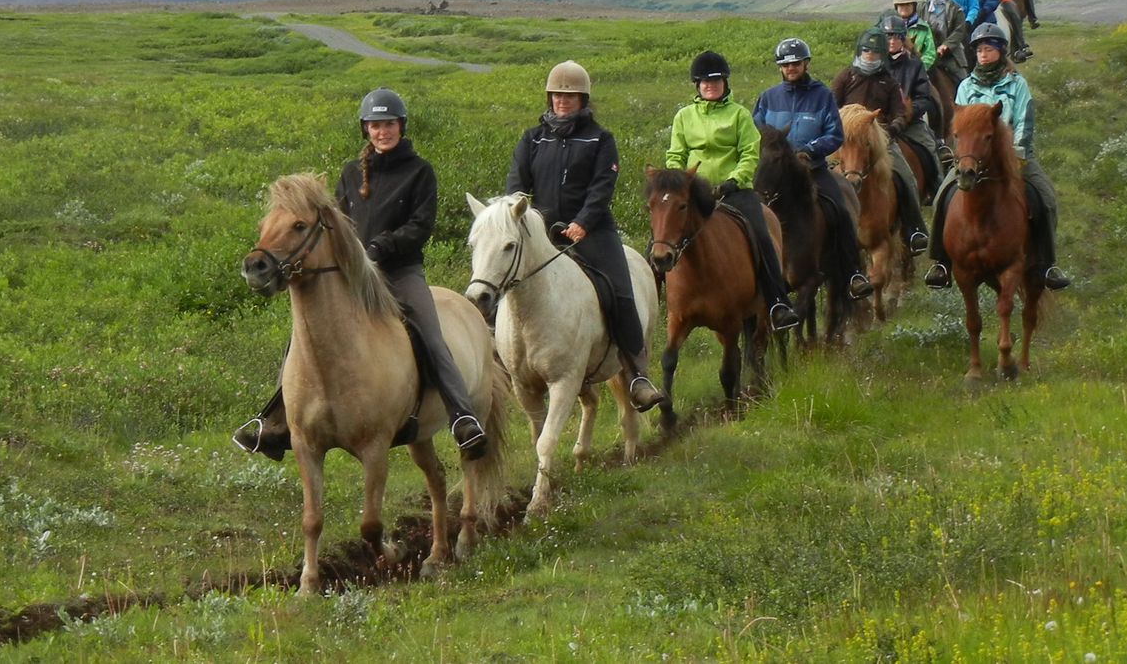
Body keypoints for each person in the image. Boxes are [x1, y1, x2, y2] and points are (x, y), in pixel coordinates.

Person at [233, 88, 489, 461]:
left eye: (388, 124)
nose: (382, 131)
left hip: (401, 272)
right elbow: (336, 224)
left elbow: (420, 226)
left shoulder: (420, 172)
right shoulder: (352, 173)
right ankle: (277, 423)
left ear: (400, 126)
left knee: (430, 335)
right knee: (300, 340)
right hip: (354, 275)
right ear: (365, 129)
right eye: (374, 125)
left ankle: (463, 416)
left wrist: (381, 247)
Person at [505, 61, 666, 412]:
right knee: (502, 274)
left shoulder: (600, 139)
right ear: (549, 97)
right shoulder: (532, 139)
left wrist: (584, 221)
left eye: (570, 95)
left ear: (583, 98)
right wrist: (519, 218)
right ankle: (499, 353)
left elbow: (602, 187)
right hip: (543, 232)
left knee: (621, 290)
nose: (563, 101)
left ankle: (637, 373)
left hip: (591, 230)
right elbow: (517, 185)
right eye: (558, 95)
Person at [923, 25, 1071, 291]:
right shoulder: (966, 86)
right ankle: (941, 263)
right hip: (973, 158)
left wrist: (1016, 153)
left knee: (1045, 199)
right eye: (979, 50)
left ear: (1000, 51)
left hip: (1011, 156)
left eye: (988, 49)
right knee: (941, 198)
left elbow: (1025, 120)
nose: (982, 55)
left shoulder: (1017, 84)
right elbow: (958, 126)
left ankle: (1048, 264)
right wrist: (962, 155)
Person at [665, 50, 800, 331]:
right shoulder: (683, 117)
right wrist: (679, 181)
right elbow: (676, 154)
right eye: (704, 81)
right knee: (661, 235)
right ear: (697, 85)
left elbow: (750, 154)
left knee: (762, 234)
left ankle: (777, 302)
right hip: (694, 193)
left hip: (734, 192)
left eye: (715, 81)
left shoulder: (739, 115)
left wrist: (735, 180)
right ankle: (655, 298)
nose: (710, 86)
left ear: (725, 83)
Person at [752, 37, 874, 301]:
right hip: (776, 176)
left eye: (796, 63)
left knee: (840, 211)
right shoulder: (768, 97)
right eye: (786, 64)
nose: (791, 68)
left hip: (814, 171)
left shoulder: (823, 96)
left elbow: (835, 134)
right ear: (779, 68)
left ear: (806, 64)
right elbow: (755, 132)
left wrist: (810, 149)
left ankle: (853, 272)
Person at [831, 29, 930, 254]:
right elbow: (831, 106)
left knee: (907, 177)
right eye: (866, 51)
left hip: (879, 140)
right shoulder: (846, 76)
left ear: (882, 55)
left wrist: (895, 126)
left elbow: (899, 112)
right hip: (846, 141)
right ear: (859, 51)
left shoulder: (889, 82)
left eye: (875, 52)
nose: (870, 56)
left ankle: (914, 228)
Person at [877, 14, 941, 202]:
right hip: (879, 123)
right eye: (888, 36)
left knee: (930, 148)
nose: (892, 41)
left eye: (896, 36)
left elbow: (924, 97)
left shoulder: (914, 65)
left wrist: (910, 111)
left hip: (909, 123)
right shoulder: (874, 64)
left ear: (903, 38)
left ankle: (937, 191)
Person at [921, 0, 970, 82]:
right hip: (926, 52)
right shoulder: (921, 7)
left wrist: (946, 45)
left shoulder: (956, 8)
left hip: (950, 54)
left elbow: (959, 30)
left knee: (963, 80)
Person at [889, 0, 937, 70]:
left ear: (914, 6)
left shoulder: (924, 28)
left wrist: (918, 69)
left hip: (917, 69)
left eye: (908, 4)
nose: (904, 7)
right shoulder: (887, 27)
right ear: (896, 7)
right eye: (901, 5)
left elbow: (930, 53)